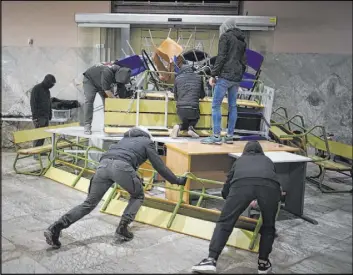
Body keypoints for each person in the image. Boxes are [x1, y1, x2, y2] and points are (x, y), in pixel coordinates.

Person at [44, 126, 187, 248]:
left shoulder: (124, 140)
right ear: (147, 136)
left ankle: (56, 227)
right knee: (138, 195)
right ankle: (123, 228)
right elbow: (160, 167)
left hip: (103, 166)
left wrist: (133, 177)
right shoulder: (147, 142)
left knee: (88, 204)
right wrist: (177, 180)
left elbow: (117, 157)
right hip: (122, 167)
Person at [192, 141, 281, 274]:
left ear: (245, 151)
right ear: (261, 151)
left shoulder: (239, 161)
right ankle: (263, 263)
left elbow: (227, 187)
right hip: (270, 188)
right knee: (268, 226)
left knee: (224, 222)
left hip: (241, 186)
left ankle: (211, 260)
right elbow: (268, 181)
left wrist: (230, 198)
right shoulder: (268, 160)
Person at [201, 18, 247, 145]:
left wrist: (213, 74)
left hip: (225, 76)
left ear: (225, 27)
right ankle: (230, 136)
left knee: (216, 105)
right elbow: (244, 62)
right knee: (233, 106)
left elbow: (221, 57)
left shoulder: (225, 37)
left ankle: (216, 136)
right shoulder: (242, 40)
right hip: (236, 78)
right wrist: (239, 75)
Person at [82, 64, 131, 135]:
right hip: (90, 81)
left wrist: (124, 98)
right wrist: (116, 100)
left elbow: (122, 93)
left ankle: (109, 123)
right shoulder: (107, 72)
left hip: (102, 83)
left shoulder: (121, 75)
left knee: (108, 102)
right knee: (89, 100)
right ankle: (87, 125)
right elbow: (107, 91)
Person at [170, 64, 206, 139]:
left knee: (185, 121)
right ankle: (191, 128)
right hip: (193, 107)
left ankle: (178, 127)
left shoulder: (178, 78)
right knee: (195, 117)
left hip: (180, 109)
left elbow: (176, 96)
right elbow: (202, 95)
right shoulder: (199, 78)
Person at [30, 74, 56, 153]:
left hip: (46, 116)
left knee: (43, 135)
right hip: (39, 116)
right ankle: (35, 153)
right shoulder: (36, 89)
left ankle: (39, 152)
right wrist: (35, 117)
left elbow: (49, 103)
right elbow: (33, 103)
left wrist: (50, 114)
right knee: (38, 135)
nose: (52, 86)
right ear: (47, 82)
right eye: (51, 84)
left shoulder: (47, 91)